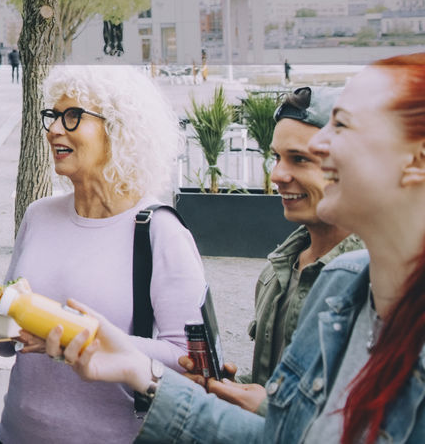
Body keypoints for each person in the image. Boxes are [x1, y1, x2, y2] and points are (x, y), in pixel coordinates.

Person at [53, 53, 425, 444]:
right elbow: (280, 436)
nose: (323, 143)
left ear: (416, 160)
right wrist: (139, 370)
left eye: (342, 125)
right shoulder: (340, 285)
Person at [0, 65, 206, 443]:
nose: (54, 129)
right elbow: (13, 344)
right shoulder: (39, 215)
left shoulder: (161, 232)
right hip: (14, 434)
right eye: (53, 116)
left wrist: (79, 337)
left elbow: (188, 364)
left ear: (119, 129)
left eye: (72, 117)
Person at [194, 86, 361, 414]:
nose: (278, 175)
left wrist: (270, 408)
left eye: (300, 159)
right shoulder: (277, 270)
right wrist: (226, 390)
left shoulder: (381, 281)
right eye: (276, 157)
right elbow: (273, 383)